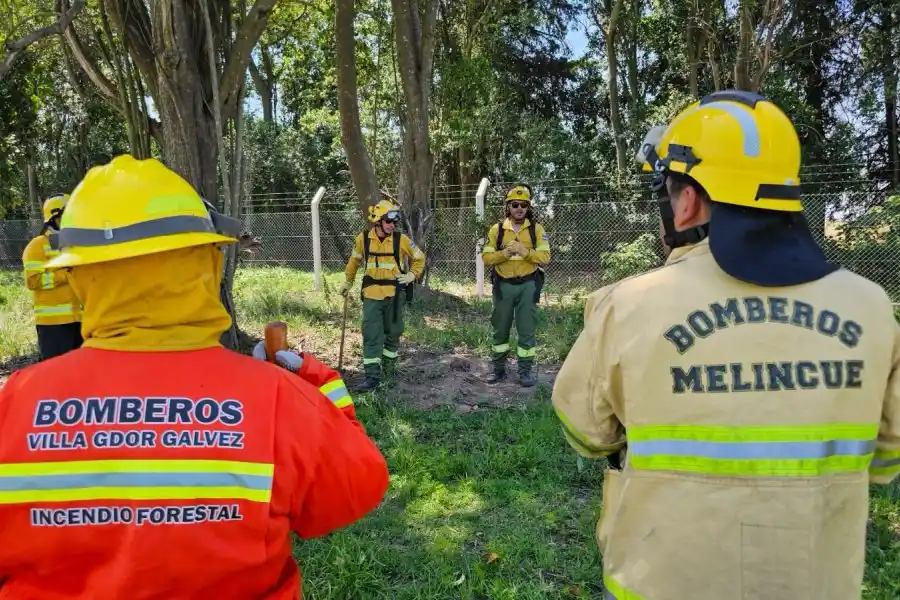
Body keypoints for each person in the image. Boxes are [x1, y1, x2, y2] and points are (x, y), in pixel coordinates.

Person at [551, 90, 900, 599]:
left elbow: (585, 434)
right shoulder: (872, 308)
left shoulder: (628, 305)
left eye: (669, 189)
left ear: (687, 200)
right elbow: (885, 461)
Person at [0, 155, 390, 599]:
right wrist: (316, 389)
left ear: (77, 277)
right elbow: (355, 490)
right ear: (208, 262)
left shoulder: (16, 402)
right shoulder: (274, 399)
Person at [340, 199, 425, 392]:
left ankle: (389, 372)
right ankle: (372, 377)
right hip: (371, 295)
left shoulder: (400, 240)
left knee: (393, 333)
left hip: (395, 295)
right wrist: (348, 281)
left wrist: (412, 275)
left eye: (394, 222)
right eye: (388, 221)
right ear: (378, 221)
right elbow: (353, 262)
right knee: (371, 334)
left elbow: (419, 257)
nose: (392, 225)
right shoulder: (363, 239)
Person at [480, 184, 551, 387]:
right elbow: (486, 257)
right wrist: (505, 254)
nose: (519, 208)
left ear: (528, 207)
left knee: (526, 329)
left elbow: (545, 257)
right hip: (503, 286)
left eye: (523, 205)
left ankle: (525, 372)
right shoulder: (497, 230)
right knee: (500, 329)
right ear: (508, 207)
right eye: (515, 204)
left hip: (528, 285)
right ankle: (498, 370)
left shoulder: (537, 230)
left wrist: (525, 252)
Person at [22, 193, 83, 360]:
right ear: (54, 217)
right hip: (53, 325)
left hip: (80, 320)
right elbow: (32, 281)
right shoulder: (37, 246)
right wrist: (65, 274)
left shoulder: (74, 245)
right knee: (56, 380)